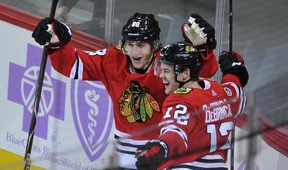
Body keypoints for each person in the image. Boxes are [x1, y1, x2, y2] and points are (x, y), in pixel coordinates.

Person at [31, 12, 218, 169]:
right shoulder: (113, 58)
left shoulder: (168, 61)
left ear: (154, 45)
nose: (135, 52)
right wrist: (56, 43)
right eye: (130, 44)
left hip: (164, 148)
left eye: (141, 45)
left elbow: (202, 73)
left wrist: (203, 50)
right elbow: (73, 65)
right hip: (125, 151)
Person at [135, 42, 249, 169]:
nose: (161, 76)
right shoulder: (219, 91)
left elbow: (175, 133)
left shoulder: (180, 100)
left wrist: (160, 147)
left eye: (166, 71)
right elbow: (237, 96)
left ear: (185, 73)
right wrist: (233, 73)